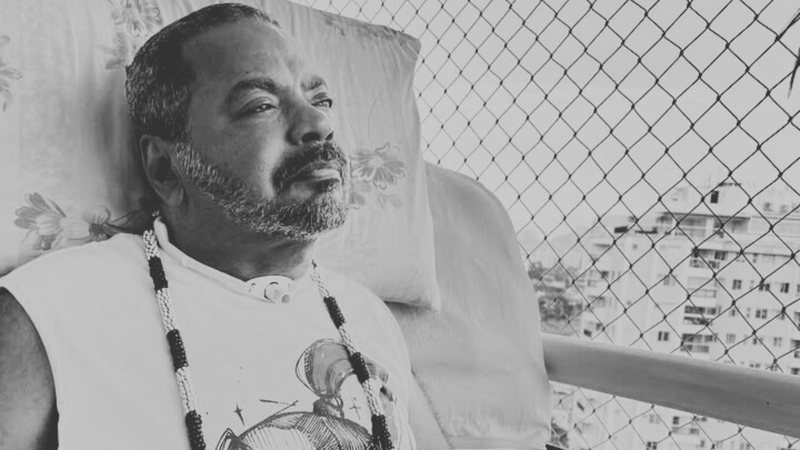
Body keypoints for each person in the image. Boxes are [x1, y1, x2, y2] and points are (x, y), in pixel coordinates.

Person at [0, 4, 450, 449]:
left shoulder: (365, 315)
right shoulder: (53, 311)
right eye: (261, 106)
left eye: (321, 100)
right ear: (165, 168)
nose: (318, 124)